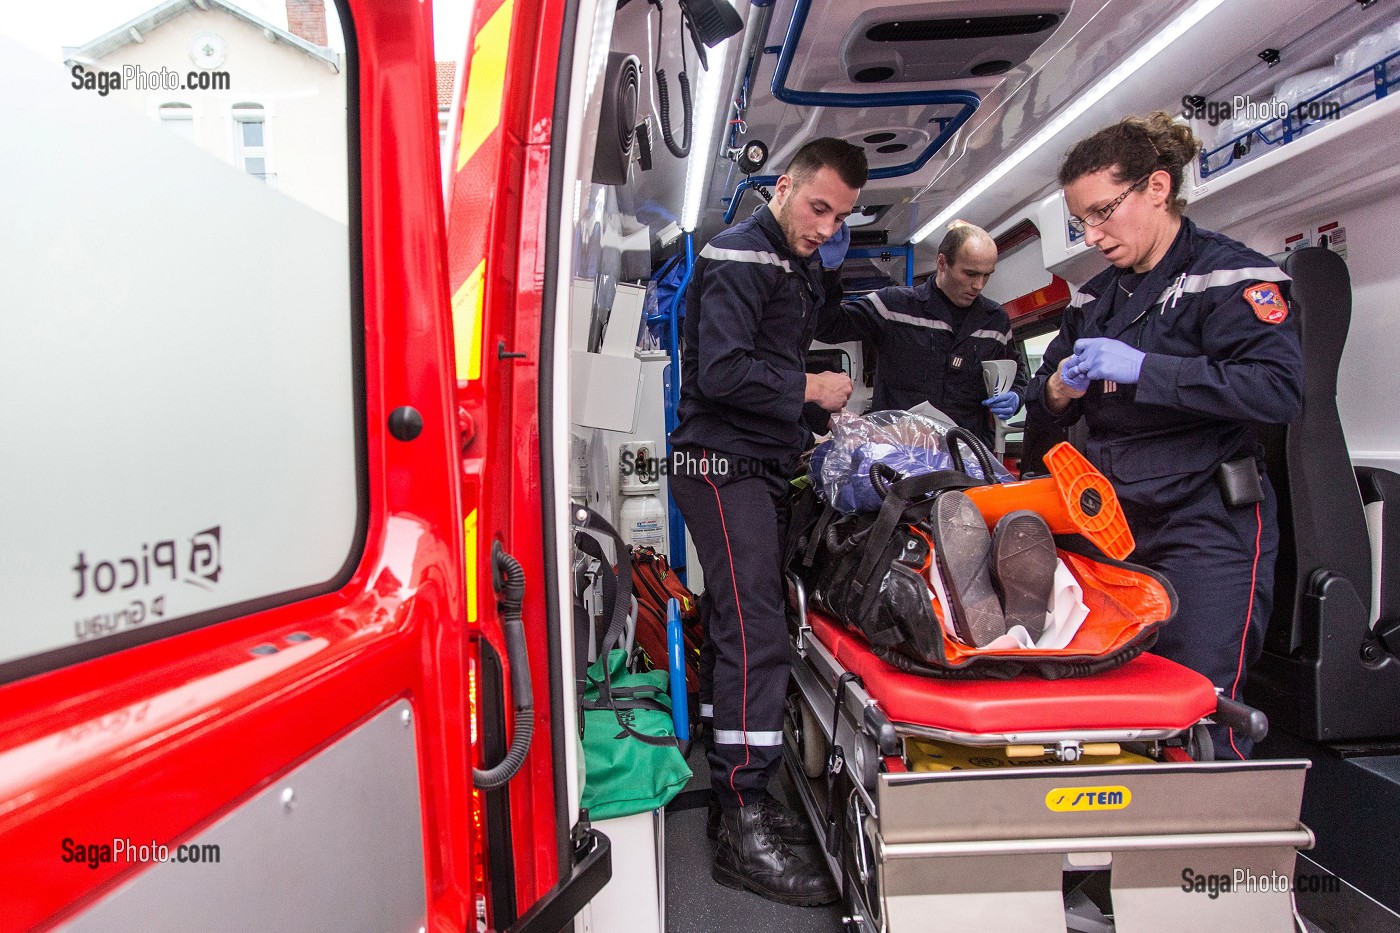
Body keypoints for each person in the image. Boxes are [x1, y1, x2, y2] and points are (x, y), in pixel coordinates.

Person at [1024, 112, 1303, 759]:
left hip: (1206, 521)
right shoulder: (1089, 304)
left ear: (1156, 187)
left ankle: (1218, 856)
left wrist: (1148, 369)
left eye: (1102, 213)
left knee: (1198, 703)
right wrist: (1058, 389)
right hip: (1114, 521)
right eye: (1081, 221)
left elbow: (1277, 390)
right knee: (1111, 699)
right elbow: (1044, 417)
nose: (1092, 235)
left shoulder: (1230, 278)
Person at [667, 137, 867, 906]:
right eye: (818, 206)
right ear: (784, 185)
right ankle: (744, 813)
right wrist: (810, 387)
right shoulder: (740, 254)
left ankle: (736, 789)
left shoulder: (795, 265)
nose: (825, 226)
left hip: (753, 463)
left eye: (840, 216)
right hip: (720, 466)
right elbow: (720, 371)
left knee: (734, 623)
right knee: (758, 629)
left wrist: (809, 430)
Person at [814, 221, 1028, 446]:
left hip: (966, 454)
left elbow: (1016, 374)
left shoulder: (995, 321)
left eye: (987, 275)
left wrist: (1016, 395)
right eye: (970, 274)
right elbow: (828, 326)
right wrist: (830, 270)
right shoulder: (893, 307)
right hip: (899, 453)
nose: (978, 285)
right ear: (942, 263)